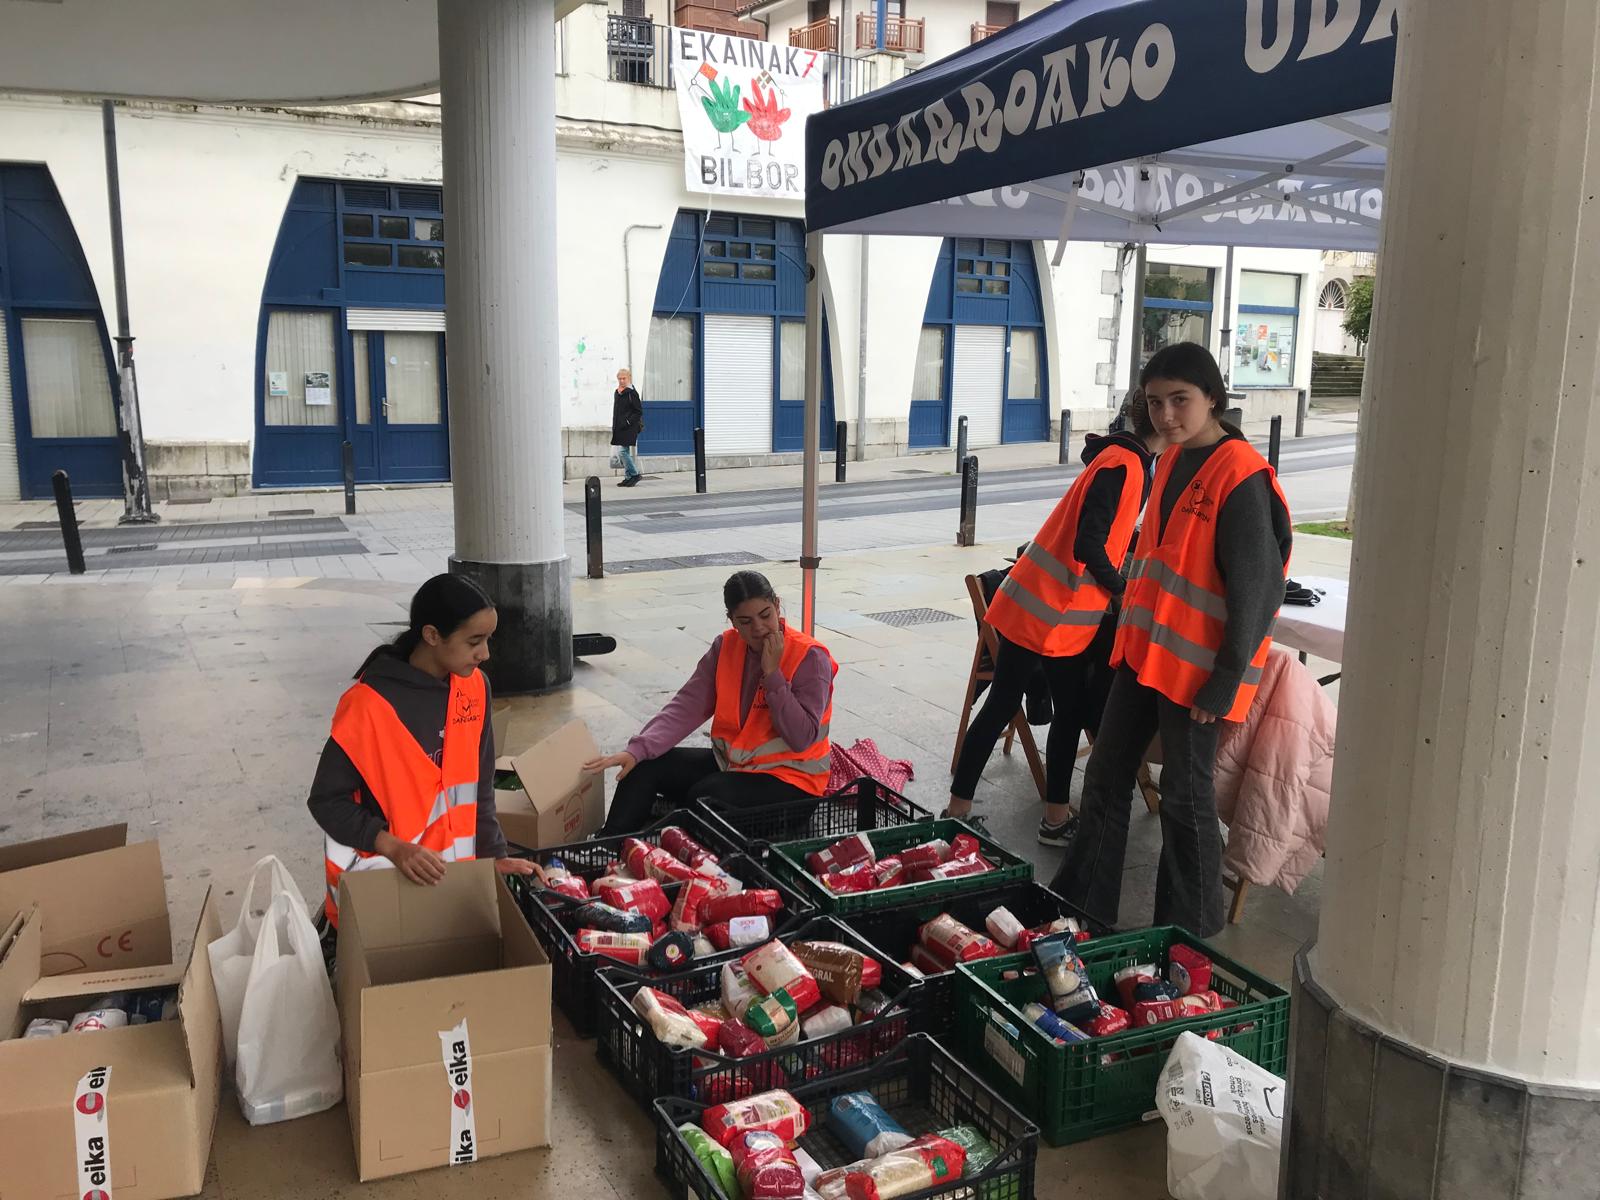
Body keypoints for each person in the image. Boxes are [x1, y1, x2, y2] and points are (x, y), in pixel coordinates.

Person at [1052, 343, 1291, 937]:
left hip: (1197, 673)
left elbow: (1259, 591)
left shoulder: (1240, 475)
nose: (1165, 415)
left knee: (1184, 799)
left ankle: (1190, 931)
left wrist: (1226, 678)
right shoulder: (1172, 459)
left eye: (1180, 400)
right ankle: (1082, 908)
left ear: (1213, 397)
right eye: (1155, 402)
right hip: (1144, 656)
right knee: (1105, 776)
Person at [945, 391, 1166, 844]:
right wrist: (1123, 588)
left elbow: (1098, 535)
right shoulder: (1125, 466)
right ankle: (1042, 818)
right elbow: (1089, 545)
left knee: (1027, 707)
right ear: (1159, 420)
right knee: (1048, 709)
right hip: (1052, 613)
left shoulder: (1121, 458)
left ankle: (979, 812)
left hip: (1045, 609)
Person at [308, 574, 534, 932]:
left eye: (488, 639)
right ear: (431, 635)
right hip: (387, 893)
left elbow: (479, 789)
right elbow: (326, 801)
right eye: (474, 641)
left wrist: (494, 857)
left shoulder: (475, 688)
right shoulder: (367, 706)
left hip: (453, 891)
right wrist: (393, 847)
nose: (485, 653)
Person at [585, 571, 838, 834]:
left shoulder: (810, 657)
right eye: (746, 621)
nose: (759, 628)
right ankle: (608, 845)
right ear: (732, 621)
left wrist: (773, 674)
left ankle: (664, 837)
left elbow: (801, 738)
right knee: (644, 766)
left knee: (705, 797)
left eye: (766, 615)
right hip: (734, 766)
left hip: (792, 781)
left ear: (777, 605)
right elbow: (686, 706)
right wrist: (638, 750)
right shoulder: (725, 647)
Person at [611, 368, 644, 487]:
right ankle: (628, 477)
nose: (621, 381)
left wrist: (628, 422)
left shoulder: (632, 393)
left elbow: (638, 411)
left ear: (629, 378)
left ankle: (635, 474)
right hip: (619, 427)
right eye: (619, 379)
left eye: (624, 378)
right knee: (624, 452)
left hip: (629, 427)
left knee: (622, 452)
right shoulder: (617, 392)